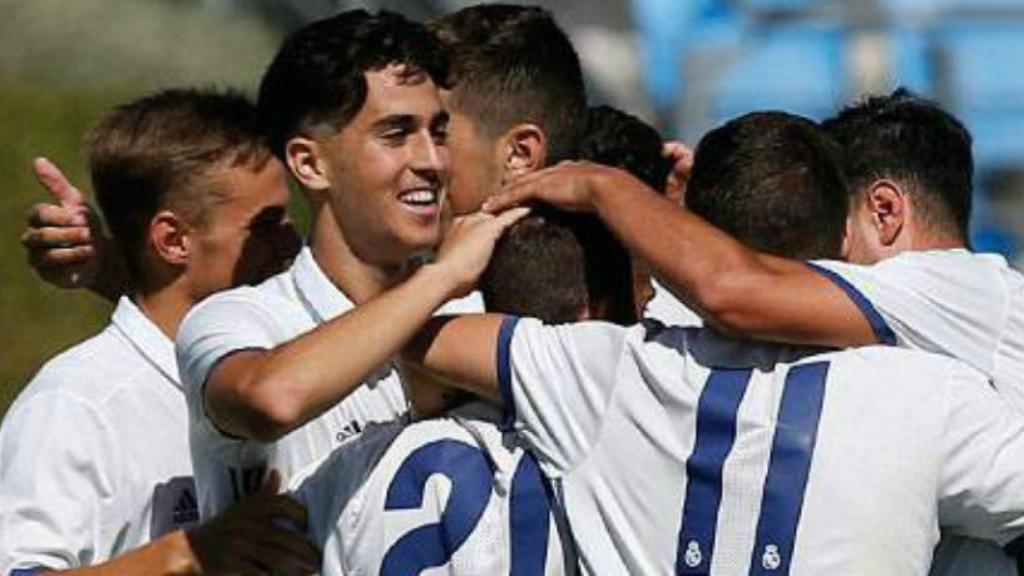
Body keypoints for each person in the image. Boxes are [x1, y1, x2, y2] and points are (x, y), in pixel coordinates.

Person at [410, 112, 1024, 574]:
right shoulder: (929, 393)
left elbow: (731, 287)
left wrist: (607, 192)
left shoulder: (603, 373)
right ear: (837, 227)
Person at [172, 9, 527, 518]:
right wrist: (441, 277)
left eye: (438, 131)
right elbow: (272, 398)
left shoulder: (484, 307)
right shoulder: (239, 320)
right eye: (396, 133)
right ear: (310, 164)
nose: (432, 160)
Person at [0, 89, 316, 576]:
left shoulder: (302, 370)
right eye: (266, 224)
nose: (292, 241)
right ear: (173, 240)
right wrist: (187, 553)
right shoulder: (78, 402)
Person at [293, 208, 632, 575]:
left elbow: (267, 537)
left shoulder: (356, 462)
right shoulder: (625, 452)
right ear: (593, 314)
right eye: (641, 306)